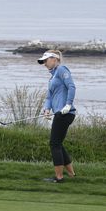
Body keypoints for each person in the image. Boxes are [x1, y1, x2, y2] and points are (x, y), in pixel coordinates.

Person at [37, 50, 76, 183]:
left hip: (65, 113)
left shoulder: (61, 70)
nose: (44, 64)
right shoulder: (52, 77)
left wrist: (68, 105)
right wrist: (47, 109)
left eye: (46, 61)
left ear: (55, 59)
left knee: (54, 144)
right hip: (59, 113)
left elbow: (71, 86)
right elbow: (49, 97)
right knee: (58, 143)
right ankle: (71, 174)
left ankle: (59, 177)